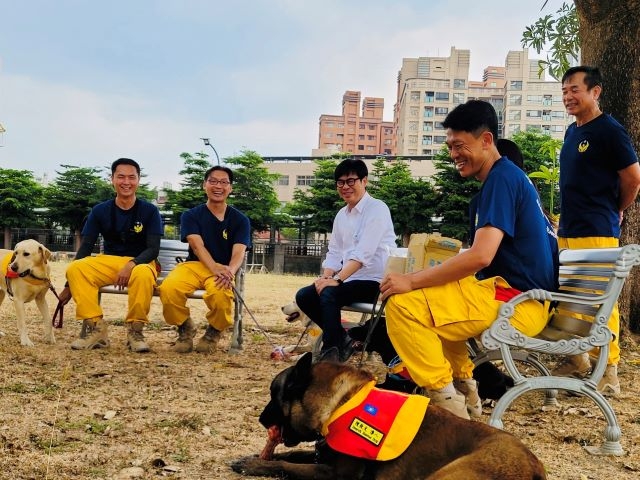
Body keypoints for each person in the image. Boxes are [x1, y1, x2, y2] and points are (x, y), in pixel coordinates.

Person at [380, 100, 558, 419]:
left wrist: (410, 280)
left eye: (459, 146)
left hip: (520, 303)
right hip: (514, 296)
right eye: (449, 146)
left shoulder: (502, 179)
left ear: (486, 141)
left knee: (403, 304)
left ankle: (448, 404)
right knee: (433, 299)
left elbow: (480, 255)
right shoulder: (507, 179)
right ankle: (464, 389)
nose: (453, 155)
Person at [552, 66, 640, 396]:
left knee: (601, 301)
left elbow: (633, 178)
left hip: (598, 227)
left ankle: (608, 370)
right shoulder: (571, 132)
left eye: (574, 90)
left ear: (595, 92)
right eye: (564, 91)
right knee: (571, 299)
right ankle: (577, 361)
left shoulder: (609, 130)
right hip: (570, 227)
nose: (568, 97)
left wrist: (616, 208)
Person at [295, 158, 397, 362]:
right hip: (350, 281)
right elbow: (334, 252)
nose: (345, 187)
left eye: (351, 181)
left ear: (364, 181)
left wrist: (337, 280)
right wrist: (324, 278)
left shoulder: (377, 208)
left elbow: (363, 255)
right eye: (340, 183)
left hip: (376, 281)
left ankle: (333, 351)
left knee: (330, 293)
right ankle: (344, 340)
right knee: (305, 295)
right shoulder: (342, 215)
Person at [59, 158, 164, 352]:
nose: (126, 182)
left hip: (142, 263)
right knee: (76, 267)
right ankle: (96, 328)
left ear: (138, 180)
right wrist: (69, 285)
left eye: (131, 177)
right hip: (109, 262)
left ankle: (135, 331)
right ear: (112, 179)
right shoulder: (100, 210)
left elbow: (153, 249)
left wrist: (132, 264)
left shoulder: (150, 211)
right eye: (121, 177)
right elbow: (86, 247)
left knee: (141, 274)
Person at [158, 166, 251, 354]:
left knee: (220, 294)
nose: (218, 186)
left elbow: (239, 251)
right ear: (205, 185)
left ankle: (214, 332)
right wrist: (213, 266)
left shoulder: (240, 220)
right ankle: (185, 328)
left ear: (230, 188)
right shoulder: (191, 215)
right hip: (194, 265)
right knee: (169, 288)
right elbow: (196, 245)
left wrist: (230, 271)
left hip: (223, 269)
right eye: (213, 181)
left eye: (224, 182)